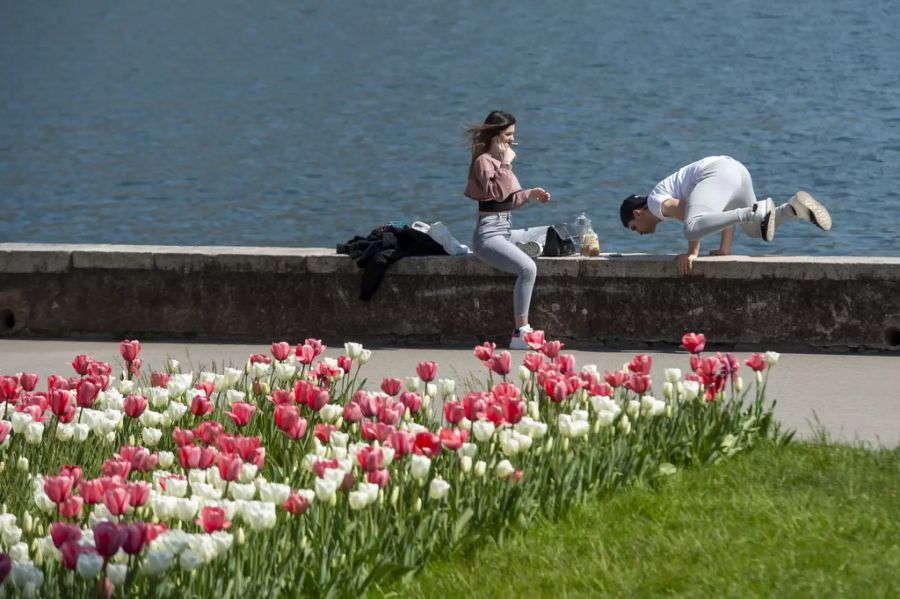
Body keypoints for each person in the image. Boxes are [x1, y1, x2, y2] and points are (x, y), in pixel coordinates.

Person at [619, 155, 832, 274]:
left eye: (634, 228)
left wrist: (692, 253)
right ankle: (793, 208)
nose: (639, 233)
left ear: (638, 213)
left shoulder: (656, 204)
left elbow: (689, 215)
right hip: (736, 170)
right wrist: (724, 249)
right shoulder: (660, 197)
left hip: (718, 172)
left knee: (691, 228)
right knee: (756, 230)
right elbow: (717, 213)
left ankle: (753, 211)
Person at [465, 110, 551, 349]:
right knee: (528, 268)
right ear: (495, 135)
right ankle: (521, 332)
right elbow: (497, 193)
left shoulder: (499, 161)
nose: (512, 138)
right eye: (508, 134)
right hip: (488, 235)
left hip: (505, 229)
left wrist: (530, 194)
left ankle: (523, 247)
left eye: (513, 133)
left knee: (550, 233)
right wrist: (506, 163)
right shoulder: (483, 162)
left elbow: (507, 201)